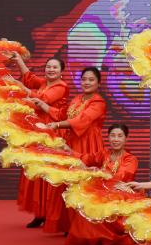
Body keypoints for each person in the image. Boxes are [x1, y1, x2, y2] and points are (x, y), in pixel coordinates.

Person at [41, 67, 107, 234]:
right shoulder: (77, 99)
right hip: (71, 143)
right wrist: (43, 106)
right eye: (84, 79)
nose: (87, 82)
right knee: (68, 184)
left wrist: (57, 125)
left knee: (85, 184)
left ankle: (86, 224)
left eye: (91, 80)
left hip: (89, 145)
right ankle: (70, 224)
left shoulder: (98, 102)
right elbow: (63, 114)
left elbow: (81, 120)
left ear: (98, 83)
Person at [8, 52, 69, 228]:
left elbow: (42, 100)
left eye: (55, 67)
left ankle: (51, 213)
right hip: (36, 131)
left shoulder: (61, 86)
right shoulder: (44, 83)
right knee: (37, 172)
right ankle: (40, 213)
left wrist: (19, 86)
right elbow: (30, 77)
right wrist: (19, 61)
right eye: (48, 66)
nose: (51, 69)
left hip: (51, 133)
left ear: (61, 71)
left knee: (49, 173)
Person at [65, 124, 138, 245]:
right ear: (108, 137)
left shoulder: (131, 159)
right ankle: (90, 236)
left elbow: (121, 176)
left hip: (121, 193)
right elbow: (85, 158)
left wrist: (96, 172)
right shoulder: (104, 154)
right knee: (85, 200)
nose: (116, 139)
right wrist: (68, 150)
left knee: (97, 203)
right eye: (112, 136)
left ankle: (104, 236)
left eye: (120, 136)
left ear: (126, 138)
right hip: (103, 190)